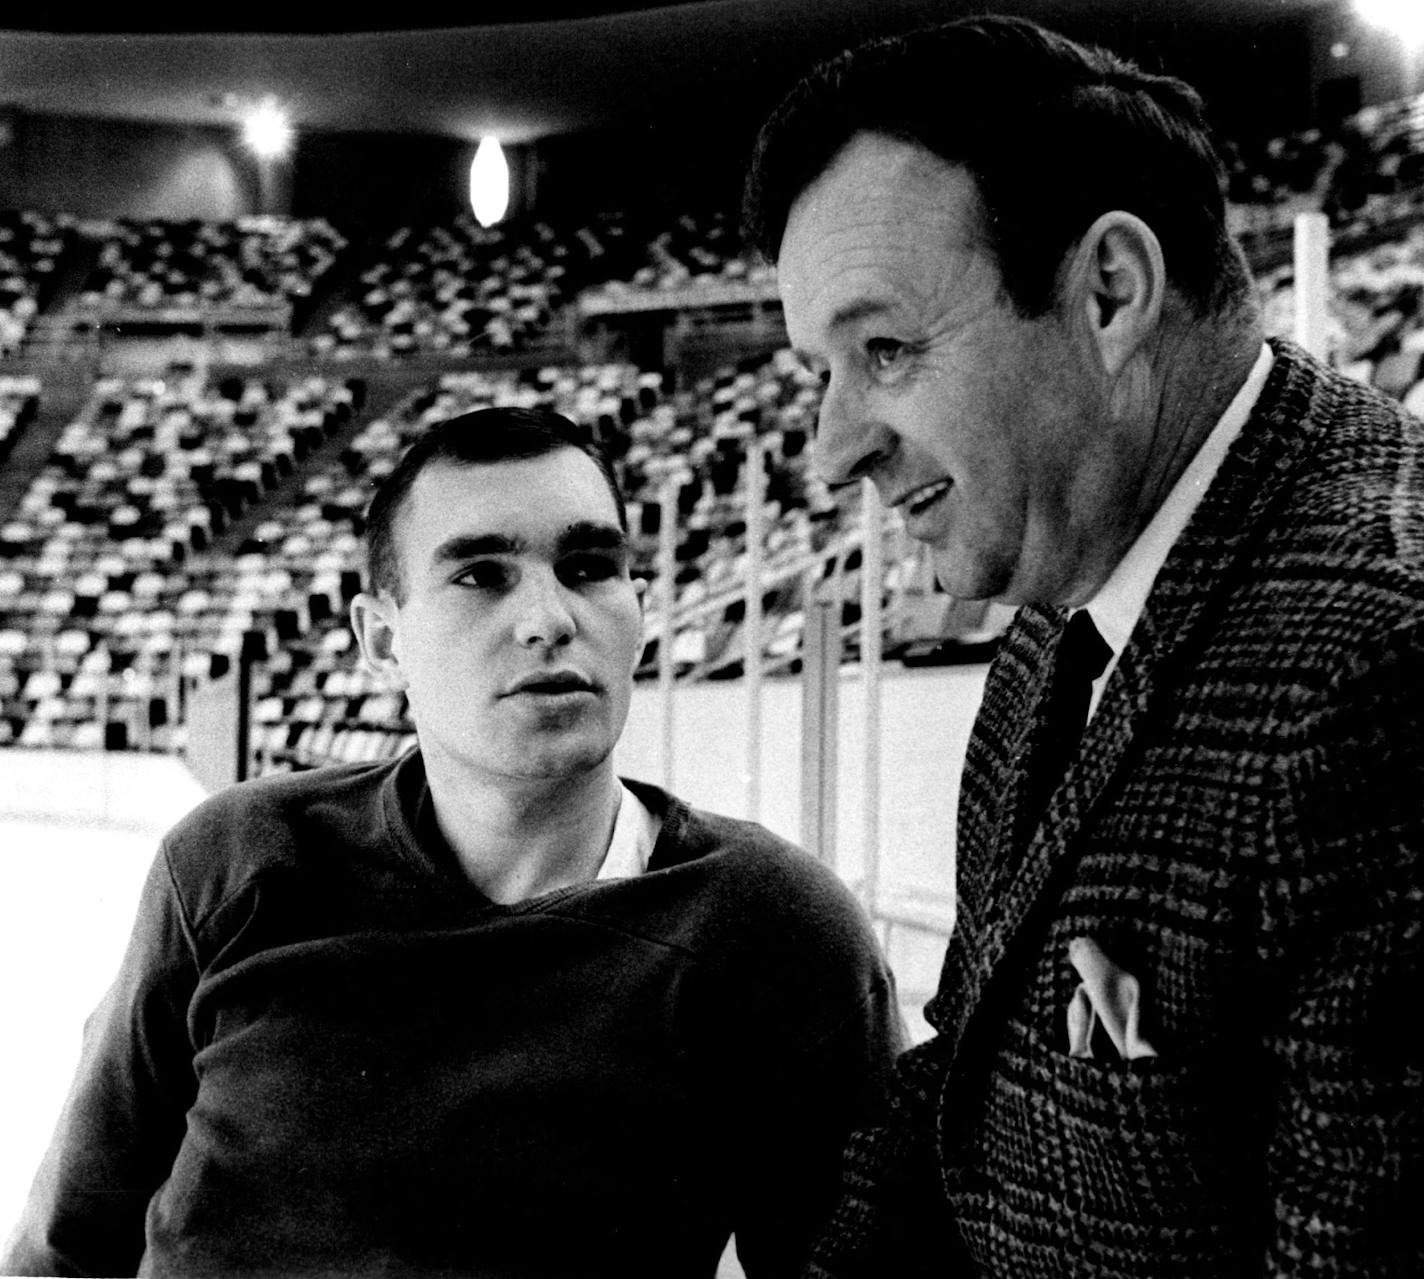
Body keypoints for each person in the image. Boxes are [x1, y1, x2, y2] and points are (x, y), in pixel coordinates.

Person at [743, 15, 1423, 1278]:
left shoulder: (1384, 666)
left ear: (1107, 292)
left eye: (883, 351)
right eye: (819, 374)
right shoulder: (1063, 592)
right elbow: (970, 1082)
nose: (830, 449)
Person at [2, 407, 902, 1278]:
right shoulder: (236, 861)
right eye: (481, 575)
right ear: (381, 640)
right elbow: (69, 1244)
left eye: (589, 566)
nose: (550, 616)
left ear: (639, 609)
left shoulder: (775, 932)